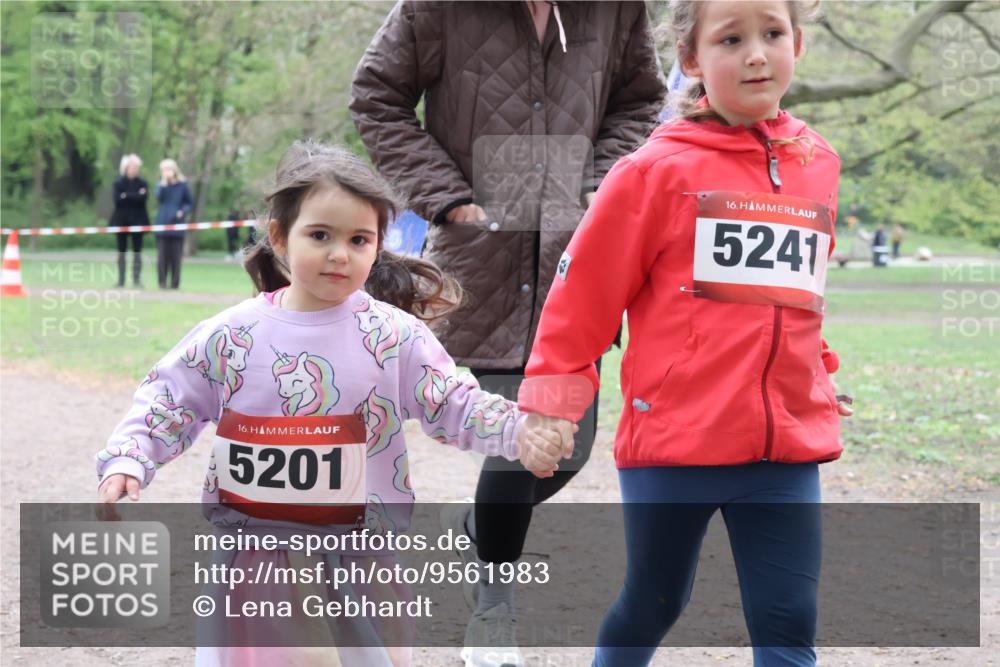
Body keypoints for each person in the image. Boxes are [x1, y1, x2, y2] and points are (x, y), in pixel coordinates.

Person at [95, 141, 570, 667]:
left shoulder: (393, 337)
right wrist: (129, 458)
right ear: (279, 236)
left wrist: (518, 431)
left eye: (358, 239)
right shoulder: (233, 334)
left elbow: (453, 402)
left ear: (377, 246)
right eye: (320, 235)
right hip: (257, 563)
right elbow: (169, 396)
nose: (339, 253)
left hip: (363, 561)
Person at [514, 1, 854, 665]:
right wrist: (550, 405)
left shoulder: (820, 163)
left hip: (784, 450)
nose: (757, 53)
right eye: (732, 39)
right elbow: (583, 296)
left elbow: (798, 296)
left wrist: (817, 371)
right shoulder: (651, 172)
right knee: (654, 601)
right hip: (676, 443)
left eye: (773, 34)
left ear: (798, 43)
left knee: (790, 622)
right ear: (694, 59)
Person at [349, 4, 667, 663]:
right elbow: (375, 94)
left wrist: (597, 186)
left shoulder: (616, 8)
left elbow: (641, 99)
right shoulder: (435, 8)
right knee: (520, 440)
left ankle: (477, 527)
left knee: (568, 453)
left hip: (574, 261)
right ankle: (494, 609)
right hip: (480, 260)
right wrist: (446, 195)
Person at [110, 154, 150, 288]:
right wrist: (135, 195)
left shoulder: (143, 183)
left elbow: (143, 199)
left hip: (138, 220)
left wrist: (126, 195)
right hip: (121, 221)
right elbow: (118, 200)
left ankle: (136, 279)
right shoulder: (118, 183)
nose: (135, 170)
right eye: (132, 167)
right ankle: (121, 280)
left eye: (137, 167)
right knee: (121, 251)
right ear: (126, 168)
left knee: (137, 251)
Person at [154, 158, 194, 289]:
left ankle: (175, 284)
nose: (166, 172)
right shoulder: (160, 185)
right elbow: (159, 198)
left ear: (174, 170)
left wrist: (183, 211)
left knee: (175, 257)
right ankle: (162, 283)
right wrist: (165, 183)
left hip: (177, 226)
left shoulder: (182, 185)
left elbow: (190, 203)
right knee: (162, 257)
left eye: (168, 169)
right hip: (162, 225)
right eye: (164, 170)